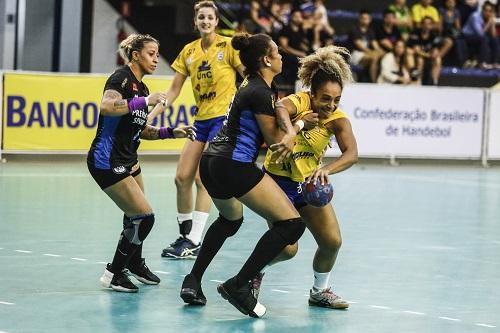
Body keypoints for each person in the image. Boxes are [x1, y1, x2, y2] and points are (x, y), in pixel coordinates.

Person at [179, 33, 307, 318]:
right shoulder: (260, 91)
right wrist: (298, 125)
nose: (281, 55)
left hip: (211, 161)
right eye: (276, 52)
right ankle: (239, 284)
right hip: (233, 165)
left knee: (229, 220)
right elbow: (276, 141)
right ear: (266, 59)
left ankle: (193, 280)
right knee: (292, 225)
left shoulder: (250, 84)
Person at [87, 34, 196, 292]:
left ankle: (134, 263)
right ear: (136, 55)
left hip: (129, 159)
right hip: (106, 159)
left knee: (134, 215)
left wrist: (173, 131)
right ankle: (113, 273)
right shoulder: (121, 78)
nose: (156, 58)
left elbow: (141, 131)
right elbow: (107, 106)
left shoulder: (143, 88)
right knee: (144, 217)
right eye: (151, 53)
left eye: (157, 54)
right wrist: (145, 102)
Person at [258, 45, 358, 309]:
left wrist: (327, 169)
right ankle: (253, 274)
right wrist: (297, 126)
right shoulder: (300, 101)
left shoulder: (337, 119)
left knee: (332, 242)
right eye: (326, 98)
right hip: (277, 183)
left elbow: (352, 154)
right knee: (288, 249)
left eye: (336, 99)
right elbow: (280, 108)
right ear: (312, 93)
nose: (331, 105)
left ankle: (319, 291)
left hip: (306, 185)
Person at [148, 1, 245, 259]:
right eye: (201, 17)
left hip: (222, 120)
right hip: (201, 121)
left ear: (216, 21)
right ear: (196, 22)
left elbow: (248, 78)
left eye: (210, 17)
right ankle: (185, 235)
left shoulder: (228, 45)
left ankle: (195, 240)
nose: (205, 21)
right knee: (182, 178)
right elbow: (173, 91)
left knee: (204, 179)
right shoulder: (188, 51)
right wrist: (150, 115)